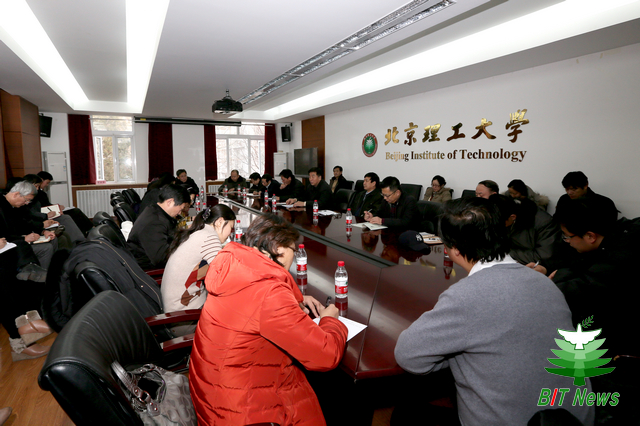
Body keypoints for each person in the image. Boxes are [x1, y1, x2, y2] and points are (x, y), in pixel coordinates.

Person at [394, 197, 594, 426]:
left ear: (453, 250)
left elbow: (409, 356)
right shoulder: (544, 282)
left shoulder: (467, 295)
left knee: (404, 415)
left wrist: (459, 354)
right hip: (574, 418)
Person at [189, 214, 348, 425]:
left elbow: (252, 306)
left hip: (212, 393)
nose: (294, 257)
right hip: (240, 411)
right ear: (278, 249)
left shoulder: (234, 265)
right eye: (293, 250)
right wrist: (330, 320)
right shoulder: (269, 293)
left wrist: (293, 299)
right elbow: (326, 356)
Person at [552, 198, 638, 422]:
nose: (567, 242)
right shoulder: (617, 236)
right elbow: (580, 267)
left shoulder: (624, 256)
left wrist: (543, 286)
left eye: (567, 237)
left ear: (590, 236)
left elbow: (587, 286)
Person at [162, 205, 235, 335]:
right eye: (231, 227)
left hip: (175, 311)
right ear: (220, 222)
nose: (230, 233)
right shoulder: (209, 238)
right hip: (185, 319)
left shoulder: (200, 233)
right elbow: (225, 277)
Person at [127, 184, 190, 269]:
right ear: (169, 202)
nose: (179, 213)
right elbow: (161, 259)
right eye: (180, 209)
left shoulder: (153, 210)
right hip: (148, 270)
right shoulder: (154, 223)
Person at [0, 181, 58, 270]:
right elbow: (4, 235)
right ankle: (41, 276)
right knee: (46, 248)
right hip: (9, 244)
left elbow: (24, 223)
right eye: (26, 200)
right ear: (16, 194)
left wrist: (43, 231)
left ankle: (52, 272)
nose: (27, 203)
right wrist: (24, 238)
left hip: (17, 239)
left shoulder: (14, 206)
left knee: (52, 239)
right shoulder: (2, 207)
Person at [491, 194, 562, 266]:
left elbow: (543, 256)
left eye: (499, 223)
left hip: (537, 267)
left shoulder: (543, 223)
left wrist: (505, 252)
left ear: (512, 217)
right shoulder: (500, 217)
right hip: (509, 261)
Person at [23, 174, 86, 248]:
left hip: (42, 219)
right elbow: (30, 215)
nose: (37, 189)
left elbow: (39, 209)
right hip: (40, 221)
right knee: (66, 219)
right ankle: (80, 242)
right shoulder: (25, 200)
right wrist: (45, 218)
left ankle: (80, 241)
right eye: (36, 186)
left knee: (69, 219)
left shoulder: (37, 196)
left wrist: (56, 208)